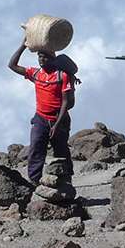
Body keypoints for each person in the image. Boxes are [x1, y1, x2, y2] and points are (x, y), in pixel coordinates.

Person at [9, 39, 76, 185]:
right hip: (41, 118)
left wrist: (57, 125)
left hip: (59, 119)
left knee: (61, 150)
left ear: (52, 59)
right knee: (36, 149)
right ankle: (34, 181)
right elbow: (12, 65)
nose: (41, 59)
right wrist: (23, 46)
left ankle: (65, 179)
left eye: (45, 57)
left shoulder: (61, 76)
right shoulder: (36, 74)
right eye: (39, 56)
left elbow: (65, 102)